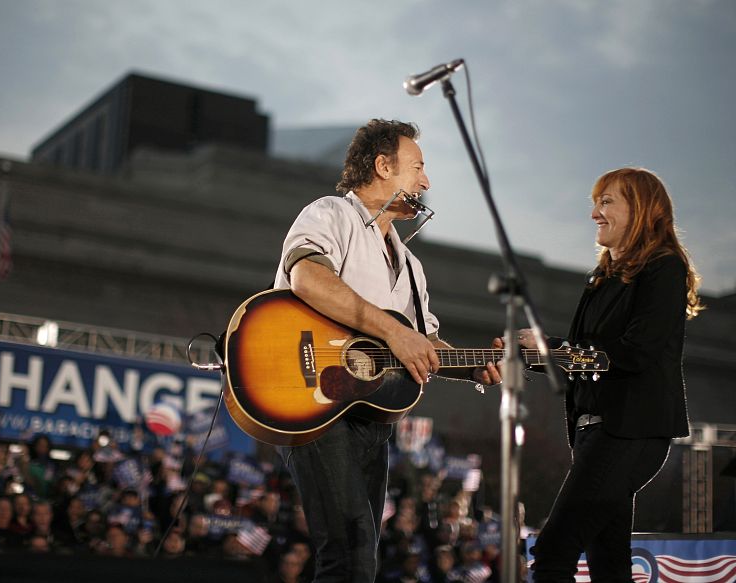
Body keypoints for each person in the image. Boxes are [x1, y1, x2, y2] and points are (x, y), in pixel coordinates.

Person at [273, 119, 500, 582]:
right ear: (382, 166)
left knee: (362, 553)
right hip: (312, 398)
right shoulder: (331, 213)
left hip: (370, 415)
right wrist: (392, 333)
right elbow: (307, 276)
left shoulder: (412, 266)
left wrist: (475, 365)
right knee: (349, 547)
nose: (426, 181)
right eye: (417, 167)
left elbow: (421, 340)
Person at [511, 167, 702, 580]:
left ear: (641, 211)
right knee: (608, 559)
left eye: (607, 201)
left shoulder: (663, 268)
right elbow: (587, 353)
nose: (595, 213)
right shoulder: (602, 276)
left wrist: (554, 348)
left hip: (630, 432)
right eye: (596, 203)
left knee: (553, 551)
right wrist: (529, 355)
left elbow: (633, 354)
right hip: (592, 431)